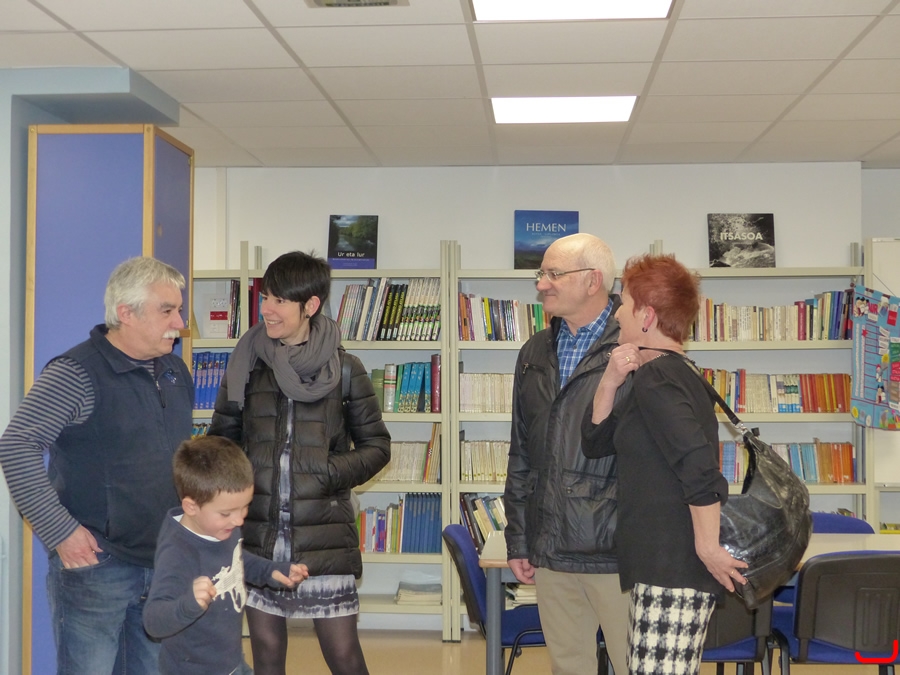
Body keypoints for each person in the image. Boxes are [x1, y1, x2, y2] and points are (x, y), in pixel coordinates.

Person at [0, 256, 193, 674]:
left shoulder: (175, 371)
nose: (180, 323)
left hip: (162, 563)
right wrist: (60, 532)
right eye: (167, 311)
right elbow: (17, 445)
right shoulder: (76, 372)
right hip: (96, 567)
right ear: (126, 313)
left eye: (179, 310)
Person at [208, 250, 391, 675]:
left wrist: (327, 473)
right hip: (259, 536)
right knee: (267, 655)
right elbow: (221, 441)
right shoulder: (246, 364)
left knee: (344, 656)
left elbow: (377, 446)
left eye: (279, 301)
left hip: (324, 535)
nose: (266, 310)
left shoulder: (346, 370)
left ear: (310, 305)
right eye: (264, 298)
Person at [583, 253, 748, 675]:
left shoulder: (659, 379)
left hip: (672, 568)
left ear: (647, 316)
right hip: (663, 567)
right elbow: (595, 442)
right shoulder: (665, 374)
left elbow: (698, 467)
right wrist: (610, 381)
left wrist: (708, 547)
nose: (616, 313)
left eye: (623, 303)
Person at [503, 232, 631, 675]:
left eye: (554, 274)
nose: (542, 284)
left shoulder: (634, 346)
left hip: (617, 551)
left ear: (593, 280)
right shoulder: (534, 351)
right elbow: (521, 451)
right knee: (568, 667)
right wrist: (519, 538)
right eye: (542, 274)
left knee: (636, 665)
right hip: (552, 547)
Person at [143, 435, 310, 675]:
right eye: (226, 513)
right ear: (191, 507)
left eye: (245, 507)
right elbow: (153, 622)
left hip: (231, 662)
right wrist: (188, 605)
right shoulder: (178, 553)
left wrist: (271, 571)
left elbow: (237, 560)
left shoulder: (222, 527)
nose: (239, 520)